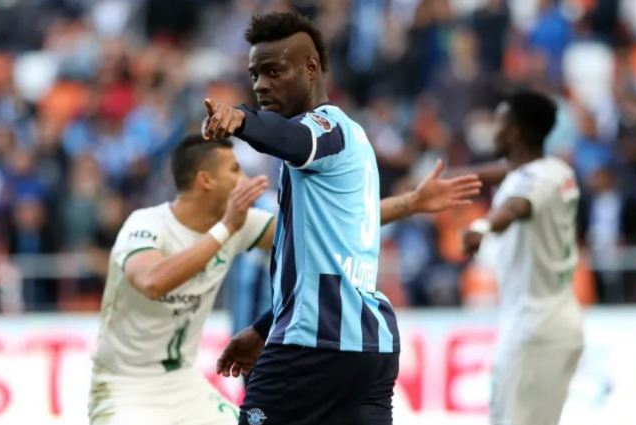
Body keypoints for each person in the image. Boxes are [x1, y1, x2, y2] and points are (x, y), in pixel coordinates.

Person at [88, 134, 481, 425]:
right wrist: (227, 229)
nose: (245, 178)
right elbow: (153, 282)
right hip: (125, 386)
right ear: (206, 180)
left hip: (183, 384)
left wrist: (413, 203)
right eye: (234, 170)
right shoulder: (147, 225)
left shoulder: (236, 225)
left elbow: (324, 228)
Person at [201, 12, 476, 425]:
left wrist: (241, 119)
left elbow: (291, 138)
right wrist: (262, 328)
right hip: (370, 348)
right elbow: (319, 264)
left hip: (313, 346)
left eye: (274, 71)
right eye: (255, 74)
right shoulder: (354, 138)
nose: (260, 85)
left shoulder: (323, 128)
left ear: (311, 68)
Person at [462, 91, 584, 425]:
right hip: (559, 321)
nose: (494, 131)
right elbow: (498, 174)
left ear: (514, 132)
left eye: (499, 123)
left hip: (533, 327)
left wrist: (482, 226)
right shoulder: (558, 170)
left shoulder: (529, 181)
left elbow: (515, 207)